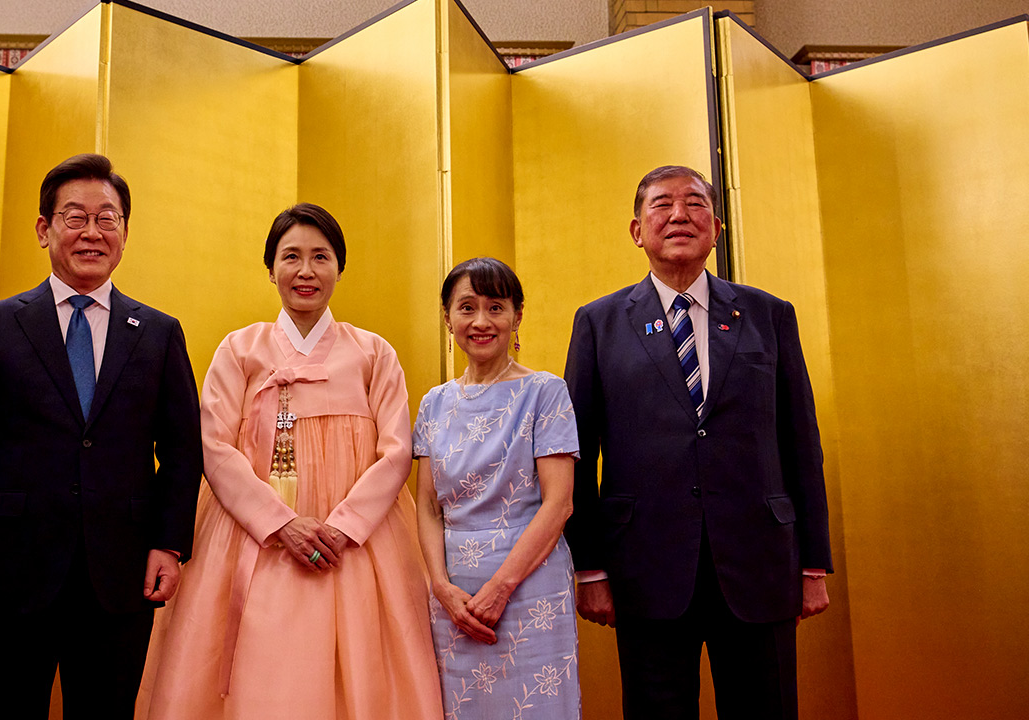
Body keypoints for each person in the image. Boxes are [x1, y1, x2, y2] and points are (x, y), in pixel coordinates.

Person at [143, 203, 441, 720]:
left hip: (356, 545)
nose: (306, 271)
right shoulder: (239, 350)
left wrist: (341, 528)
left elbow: (396, 452)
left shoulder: (374, 354)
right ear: (271, 267)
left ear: (339, 268)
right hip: (250, 538)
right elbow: (212, 447)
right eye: (291, 257)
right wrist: (282, 523)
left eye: (321, 257)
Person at [0, 153, 202, 719]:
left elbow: (181, 451)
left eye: (108, 219)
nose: (92, 232)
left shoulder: (158, 332)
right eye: (75, 217)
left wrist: (169, 543)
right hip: (7, 574)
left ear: (125, 233)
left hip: (120, 576)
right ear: (44, 229)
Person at [564, 165, 833, 719]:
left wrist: (813, 564)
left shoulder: (769, 315)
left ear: (717, 226)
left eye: (694, 204)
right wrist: (589, 568)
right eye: (662, 205)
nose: (679, 215)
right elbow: (578, 453)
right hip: (645, 567)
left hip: (760, 565)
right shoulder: (599, 322)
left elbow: (801, 442)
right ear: (637, 230)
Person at [412, 257, 581, 719]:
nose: (481, 321)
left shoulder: (546, 391)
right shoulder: (433, 403)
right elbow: (427, 505)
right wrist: (439, 586)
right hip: (453, 594)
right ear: (448, 317)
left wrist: (501, 588)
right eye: (466, 308)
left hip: (530, 586)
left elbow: (559, 503)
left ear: (517, 316)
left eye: (495, 307)